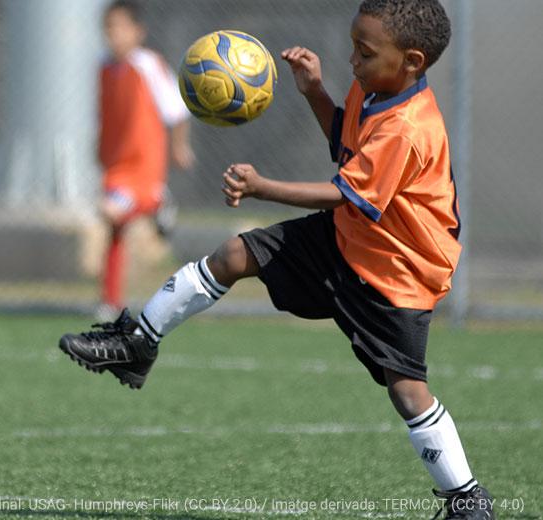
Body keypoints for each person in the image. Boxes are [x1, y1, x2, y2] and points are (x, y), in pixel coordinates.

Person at [58, 1, 494, 517]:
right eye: (354, 45)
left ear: (413, 61)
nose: (352, 59)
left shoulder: (410, 126)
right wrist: (314, 91)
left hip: (395, 273)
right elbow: (345, 145)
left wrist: (262, 186)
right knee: (234, 254)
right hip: (348, 238)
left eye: (365, 51)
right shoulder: (374, 88)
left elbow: (346, 193)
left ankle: (466, 497)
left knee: (406, 390)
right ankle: (138, 341)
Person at [96, 0, 195, 320]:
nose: (114, 34)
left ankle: (157, 202)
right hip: (116, 167)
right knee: (115, 228)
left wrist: (179, 147)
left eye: (121, 27)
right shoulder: (103, 68)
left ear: (138, 32)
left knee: (111, 213)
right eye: (109, 27)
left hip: (143, 166)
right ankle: (110, 301)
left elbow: (176, 111)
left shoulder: (148, 65)